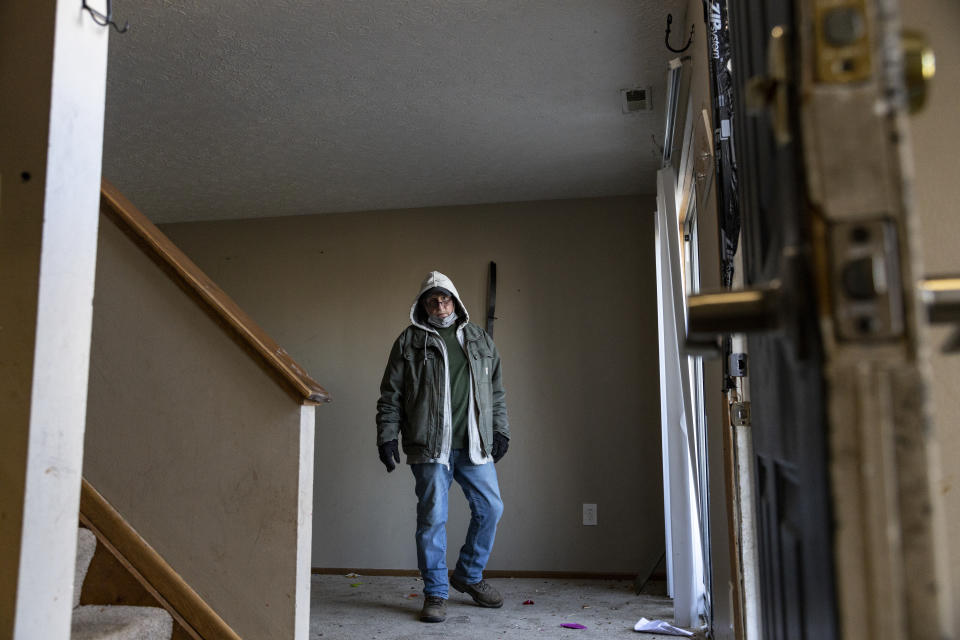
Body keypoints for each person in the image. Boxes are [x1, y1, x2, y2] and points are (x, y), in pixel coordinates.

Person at [376, 270, 510, 623]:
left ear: (456, 301)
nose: (440, 305)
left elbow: (496, 392)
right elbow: (391, 395)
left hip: (474, 445)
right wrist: (387, 435)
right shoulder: (409, 342)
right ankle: (435, 593)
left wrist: (500, 429)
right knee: (433, 519)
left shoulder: (479, 339)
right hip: (430, 446)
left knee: (491, 509)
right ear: (422, 305)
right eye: (432, 300)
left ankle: (468, 575)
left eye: (445, 298)